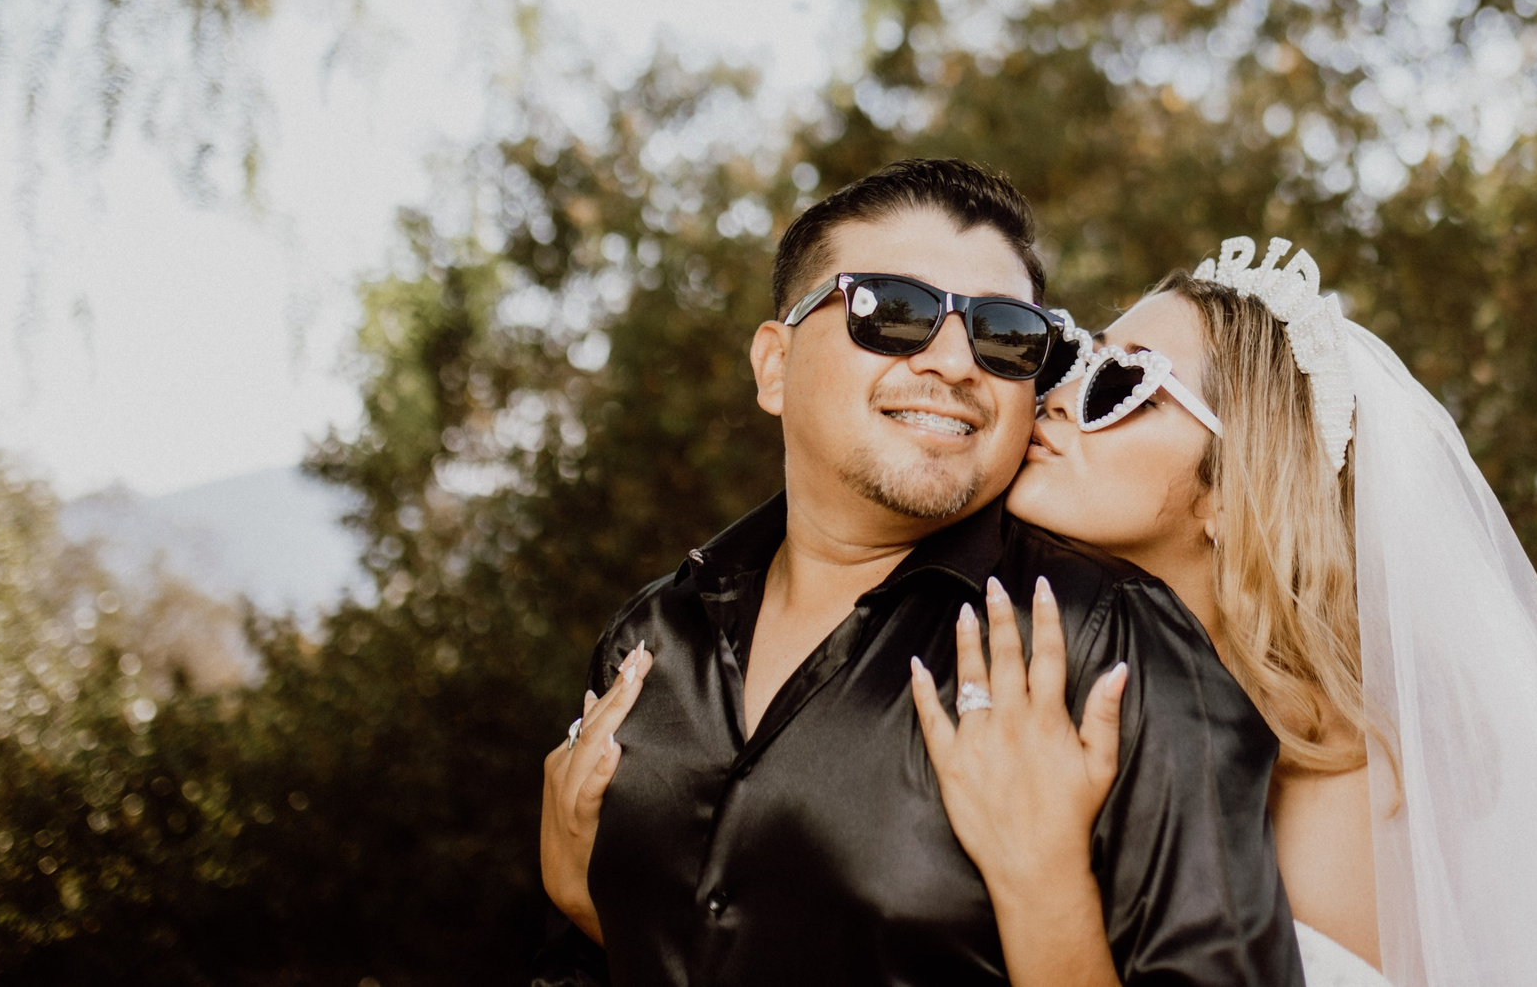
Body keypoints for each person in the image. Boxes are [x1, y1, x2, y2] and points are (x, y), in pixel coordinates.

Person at [533, 161, 1303, 987]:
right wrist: (596, 915)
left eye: (1005, 334)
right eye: (893, 312)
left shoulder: (1113, 646)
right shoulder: (649, 640)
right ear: (774, 365)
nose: (957, 363)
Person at [909, 237, 1537, 987]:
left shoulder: (1347, 781)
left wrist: (1040, 878)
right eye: (1071, 361)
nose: (1055, 399)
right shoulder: (1087, 678)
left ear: (1233, 492)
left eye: (1120, 387)